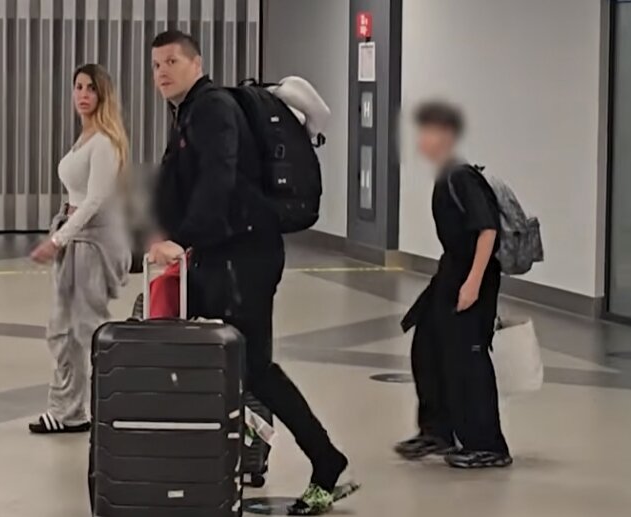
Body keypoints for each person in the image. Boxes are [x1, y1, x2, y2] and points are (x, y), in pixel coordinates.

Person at [145, 30, 356, 515]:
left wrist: (183, 237)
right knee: (213, 355)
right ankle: (230, 451)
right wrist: (163, 234)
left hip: (243, 257)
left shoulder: (213, 108)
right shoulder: (191, 112)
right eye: (156, 65)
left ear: (196, 64)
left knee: (254, 367)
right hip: (223, 254)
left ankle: (324, 460)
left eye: (172, 61)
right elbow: (181, 183)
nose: (162, 72)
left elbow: (218, 180)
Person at [396, 100, 512, 469]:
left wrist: (473, 283)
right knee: (427, 347)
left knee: (468, 360)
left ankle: (488, 445)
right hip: (449, 273)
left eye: (428, 133)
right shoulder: (446, 175)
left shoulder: (461, 177)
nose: (421, 141)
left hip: (471, 275)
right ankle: (438, 430)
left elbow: (487, 230)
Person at [28, 63, 131, 435]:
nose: (83, 95)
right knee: (64, 329)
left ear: (103, 95)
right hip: (76, 238)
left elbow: (94, 201)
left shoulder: (104, 141)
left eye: (91, 88)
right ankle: (69, 410)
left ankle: (100, 406)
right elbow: (77, 197)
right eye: (78, 87)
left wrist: (57, 240)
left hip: (92, 243)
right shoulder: (85, 138)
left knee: (85, 330)